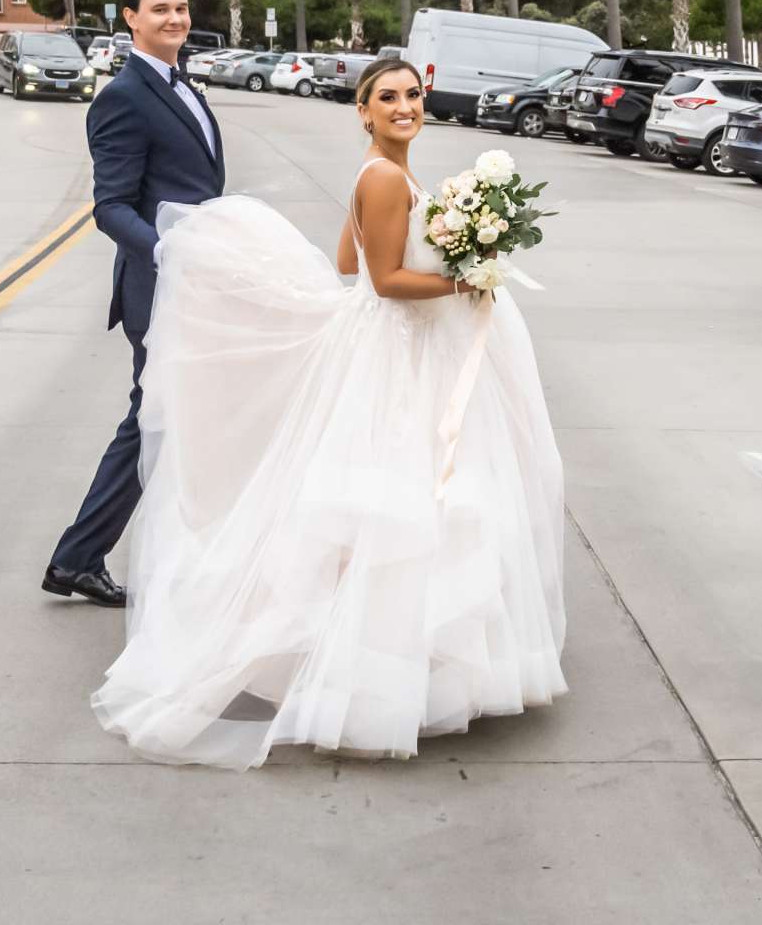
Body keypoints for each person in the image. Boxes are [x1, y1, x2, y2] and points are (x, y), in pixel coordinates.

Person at [90, 56, 567, 767]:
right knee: (413, 501)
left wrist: (447, 249)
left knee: (403, 503)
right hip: (400, 354)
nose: (403, 106)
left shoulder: (385, 173)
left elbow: (347, 259)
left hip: (400, 348)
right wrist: (462, 275)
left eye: (412, 95)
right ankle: (391, 671)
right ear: (363, 111)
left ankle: (400, 655)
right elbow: (385, 280)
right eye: (387, 98)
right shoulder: (381, 175)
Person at [44, 0, 225, 610]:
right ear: (130, 18)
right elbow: (112, 207)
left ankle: (78, 558)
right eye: (159, 10)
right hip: (163, 289)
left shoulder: (182, 86)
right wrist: (171, 248)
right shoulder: (123, 95)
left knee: (161, 419)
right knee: (158, 420)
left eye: (180, 7)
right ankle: (83, 556)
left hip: (200, 287)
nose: (175, 18)